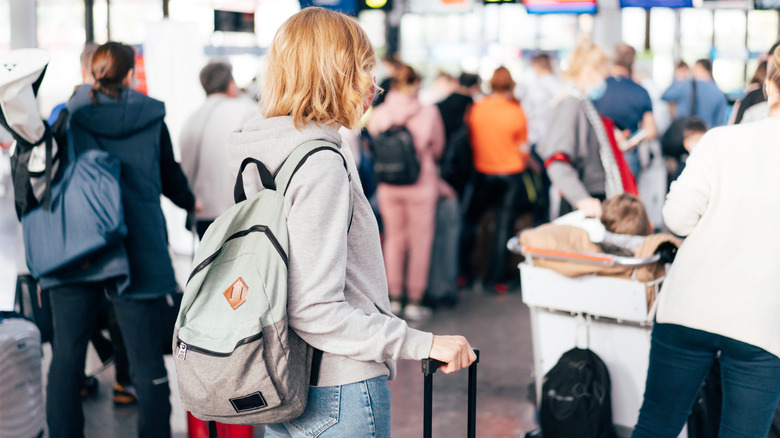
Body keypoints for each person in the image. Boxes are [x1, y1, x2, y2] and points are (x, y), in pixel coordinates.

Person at [224, 8, 476, 437]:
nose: (374, 87)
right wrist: (423, 343)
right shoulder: (320, 161)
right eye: (363, 71)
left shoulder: (265, 148)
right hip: (338, 392)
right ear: (332, 74)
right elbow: (315, 308)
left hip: (282, 380)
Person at [44, 42, 196, 438]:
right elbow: (171, 179)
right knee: (147, 364)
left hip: (75, 249)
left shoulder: (67, 118)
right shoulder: (150, 117)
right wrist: (194, 205)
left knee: (66, 359)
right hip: (138, 249)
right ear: (130, 74)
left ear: (91, 73)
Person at [631, 45, 780, 438]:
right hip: (761, 322)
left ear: (769, 87)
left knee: (656, 425)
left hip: (689, 305)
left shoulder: (720, 141)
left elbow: (676, 218)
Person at [367, 64, 446, 321]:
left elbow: (374, 142)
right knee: (419, 241)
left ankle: (394, 299)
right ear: (417, 83)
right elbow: (437, 149)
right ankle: (414, 300)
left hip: (389, 185)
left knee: (393, 240)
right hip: (420, 184)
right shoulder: (429, 112)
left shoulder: (380, 113)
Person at [538, 38, 636, 219]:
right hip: (586, 200)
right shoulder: (571, 104)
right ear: (590, 71)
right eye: (604, 73)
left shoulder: (582, 104)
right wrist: (582, 199)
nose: (606, 79)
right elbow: (557, 160)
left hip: (590, 197)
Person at [460, 66, 529, 293]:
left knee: (471, 221)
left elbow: (470, 139)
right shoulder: (516, 112)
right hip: (511, 174)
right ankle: (496, 280)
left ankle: (465, 274)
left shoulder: (478, 109)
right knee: (503, 226)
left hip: (483, 172)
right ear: (511, 86)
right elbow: (523, 149)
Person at [180, 61, 261, 238]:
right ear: (231, 85)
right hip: (238, 214)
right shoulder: (248, 111)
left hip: (201, 215)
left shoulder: (190, 120)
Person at [594, 43, 658, 177]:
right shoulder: (641, 91)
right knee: (626, 196)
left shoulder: (597, 87)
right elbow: (650, 131)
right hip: (627, 154)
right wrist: (628, 143)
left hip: (598, 151)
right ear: (632, 64)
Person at [661, 59, 728, 129]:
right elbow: (720, 122)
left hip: (686, 133)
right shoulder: (719, 93)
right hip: (707, 134)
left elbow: (665, 95)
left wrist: (678, 79)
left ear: (698, 67)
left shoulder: (686, 86)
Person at [519, 52, 562, 148]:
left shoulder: (532, 86)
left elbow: (526, 111)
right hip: (554, 138)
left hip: (536, 138)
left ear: (536, 66)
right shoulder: (559, 85)